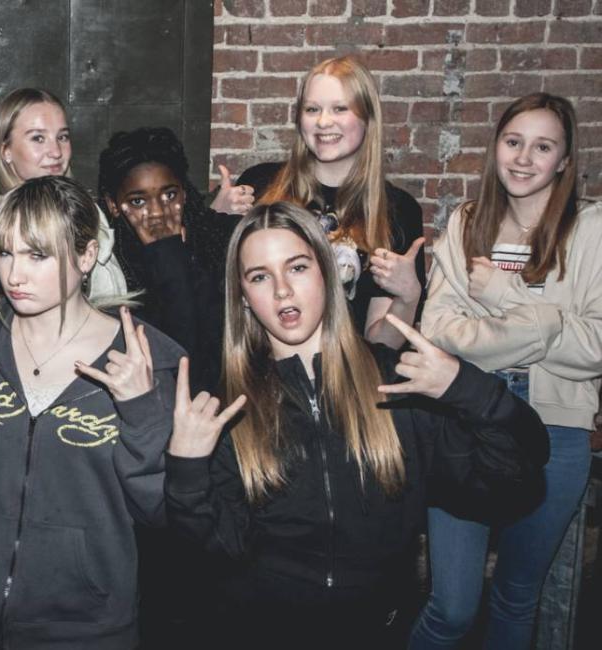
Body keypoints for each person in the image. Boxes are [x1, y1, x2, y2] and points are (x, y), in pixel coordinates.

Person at [163, 202, 549, 649]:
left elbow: (515, 480)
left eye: (298, 267)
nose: (283, 291)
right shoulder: (229, 406)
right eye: (260, 276)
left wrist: (464, 387)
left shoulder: (396, 385)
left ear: (326, 273)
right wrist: (187, 472)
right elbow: (212, 556)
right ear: (244, 298)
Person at [0, 175, 177, 648]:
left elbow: (162, 510)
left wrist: (142, 413)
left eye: (37, 255)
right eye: (5, 253)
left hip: (86, 628)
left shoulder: (146, 358)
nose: (14, 275)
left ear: (85, 256)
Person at [411, 93, 601, 649]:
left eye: (543, 147)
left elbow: (594, 347)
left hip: (557, 431)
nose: (523, 158)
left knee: (517, 599)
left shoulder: (590, 228)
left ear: (564, 160)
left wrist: (501, 294)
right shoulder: (468, 223)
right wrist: (545, 326)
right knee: (451, 606)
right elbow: (441, 330)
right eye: (513, 142)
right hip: (467, 423)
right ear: (496, 146)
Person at [237, 56, 425, 348]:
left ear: (367, 118)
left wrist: (409, 295)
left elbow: (382, 346)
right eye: (312, 109)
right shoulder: (259, 185)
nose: (324, 122)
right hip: (265, 371)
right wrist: (214, 219)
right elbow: (225, 298)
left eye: (340, 108)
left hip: (351, 380)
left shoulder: (397, 210)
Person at [98, 126, 235, 394]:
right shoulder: (109, 264)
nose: (157, 212)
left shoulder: (218, 240)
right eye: (138, 201)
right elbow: (174, 354)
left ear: (184, 193)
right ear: (114, 205)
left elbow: (208, 360)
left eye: (169, 195)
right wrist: (166, 255)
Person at [0, 87, 127, 299]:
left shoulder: (83, 205)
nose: (56, 152)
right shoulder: (5, 217)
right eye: (38, 138)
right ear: (6, 150)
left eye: (62, 137)